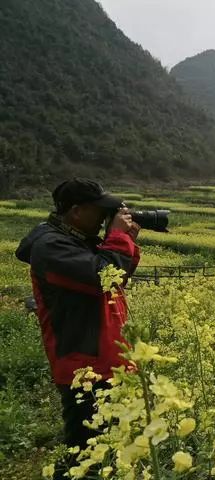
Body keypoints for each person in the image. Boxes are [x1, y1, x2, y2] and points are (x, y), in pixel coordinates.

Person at [15, 178, 140, 475]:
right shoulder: (51, 247)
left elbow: (118, 275)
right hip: (83, 366)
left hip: (107, 360)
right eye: (100, 211)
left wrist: (128, 239)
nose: (104, 218)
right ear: (76, 212)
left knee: (110, 449)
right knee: (84, 457)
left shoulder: (74, 238)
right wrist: (119, 237)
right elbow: (104, 277)